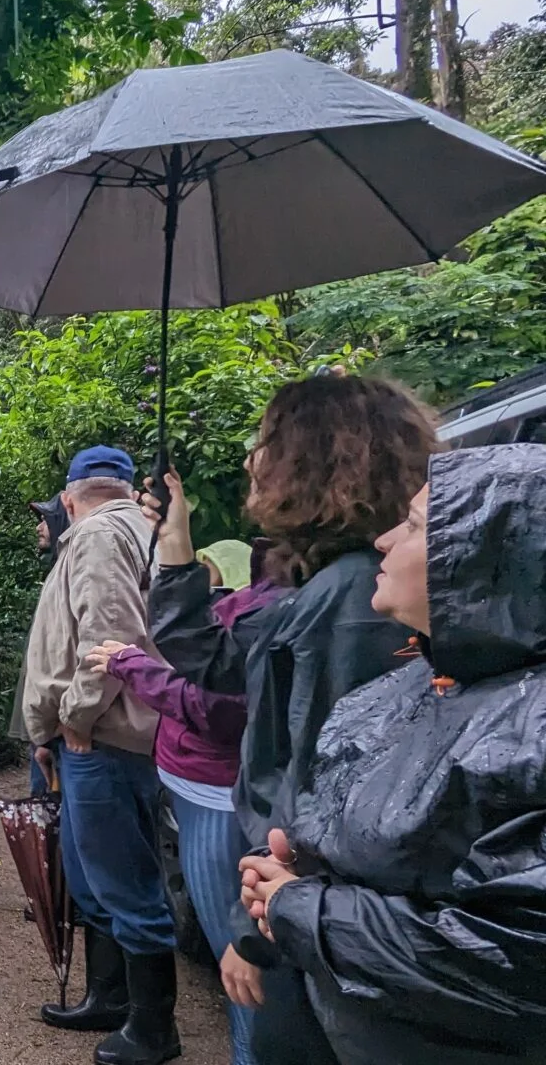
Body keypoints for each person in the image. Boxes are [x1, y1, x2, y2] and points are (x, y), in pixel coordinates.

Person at [144, 374, 434, 1064]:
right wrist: (176, 541)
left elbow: (320, 784)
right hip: (328, 913)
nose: (251, 460)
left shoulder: (353, 601)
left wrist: (263, 932)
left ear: (312, 459)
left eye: (265, 442)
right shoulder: (336, 580)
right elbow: (220, 662)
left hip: (316, 917)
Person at [240, 444, 546, 1064]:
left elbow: (514, 957)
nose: (382, 541)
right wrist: (290, 869)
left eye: (410, 526)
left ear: (485, 553)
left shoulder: (529, 726)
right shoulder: (420, 680)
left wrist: (300, 907)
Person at [86, 539, 286, 1065]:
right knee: (237, 946)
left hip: (216, 788)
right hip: (199, 781)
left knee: (241, 951)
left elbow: (217, 706)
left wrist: (131, 666)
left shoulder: (271, 607)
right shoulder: (264, 595)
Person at [21, 446, 179, 1065]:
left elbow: (108, 633)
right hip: (111, 733)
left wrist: (77, 717)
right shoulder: (140, 528)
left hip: (104, 733)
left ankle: (153, 1028)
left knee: (122, 879)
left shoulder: (99, 535)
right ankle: (109, 998)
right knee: (98, 878)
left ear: (69, 497)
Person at [10, 494, 74, 795]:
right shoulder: (59, 571)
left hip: (60, 731)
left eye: (45, 521)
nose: (39, 528)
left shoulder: (71, 573)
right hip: (52, 729)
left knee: (48, 812)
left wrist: (49, 734)